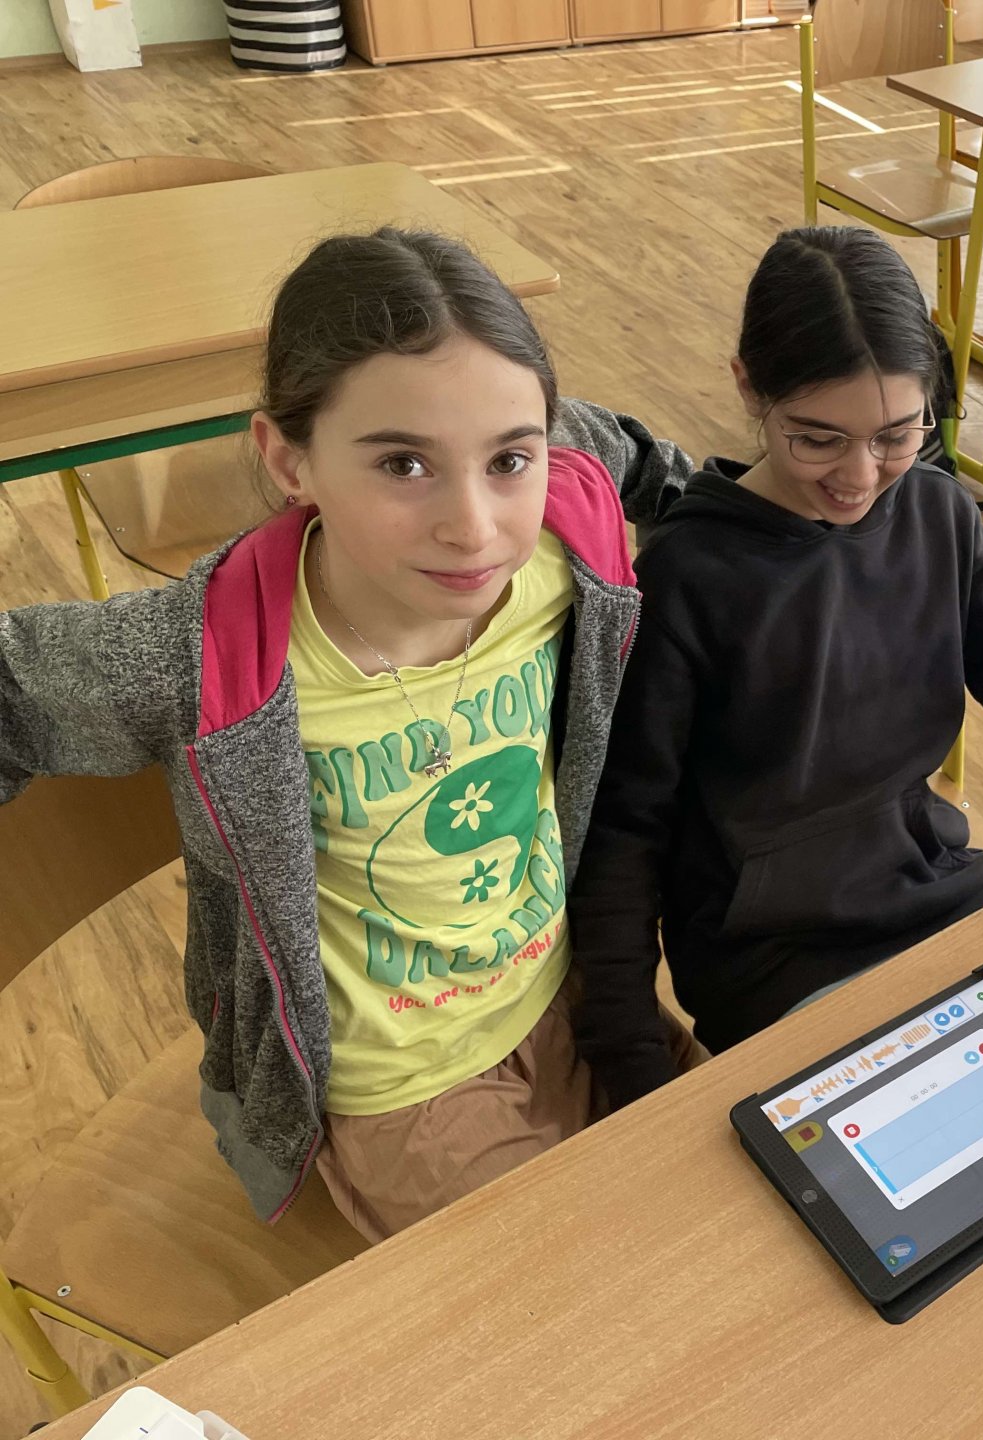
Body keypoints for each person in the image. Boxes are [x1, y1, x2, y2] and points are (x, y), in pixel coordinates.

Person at [0, 228, 695, 1242]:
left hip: (574, 989)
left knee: (740, 1200)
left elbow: (648, 465)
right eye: (404, 464)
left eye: (510, 459)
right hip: (405, 1089)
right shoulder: (207, 654)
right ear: (290, 459)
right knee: (593, 1288)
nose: (473, 526)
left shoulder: (565, 527)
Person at [570, 226, 983, 1109]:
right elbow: (623, 838)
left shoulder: (934, 510)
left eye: (898, 435)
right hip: (776, 958)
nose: (861, 477)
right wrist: (630, 1056)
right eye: (818, 439)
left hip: (935, 891)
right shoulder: (687, 576)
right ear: (748, 386)